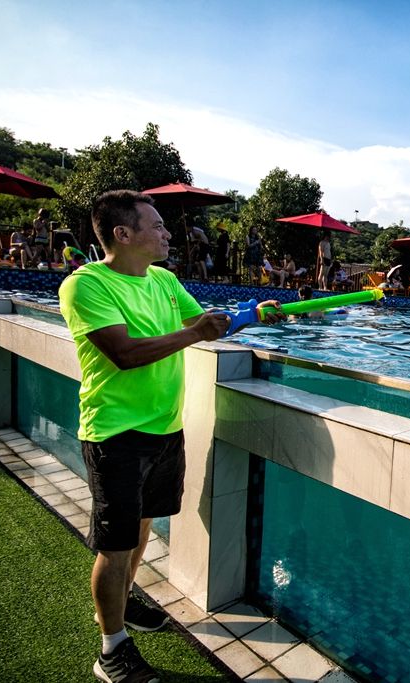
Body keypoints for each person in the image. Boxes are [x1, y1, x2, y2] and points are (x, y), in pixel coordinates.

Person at [58, 190, 284, 683]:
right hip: (115, 432)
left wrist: (250, 315)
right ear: (123, 234)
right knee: (115, 547)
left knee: (139, 534)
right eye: (156, 225)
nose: (167, 233)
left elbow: (206, 324)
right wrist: (195, 333)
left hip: (165, 427)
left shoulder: (163, 279)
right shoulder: (85, 285)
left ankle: (120, 604)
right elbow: (126, 353)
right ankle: (111, 648)